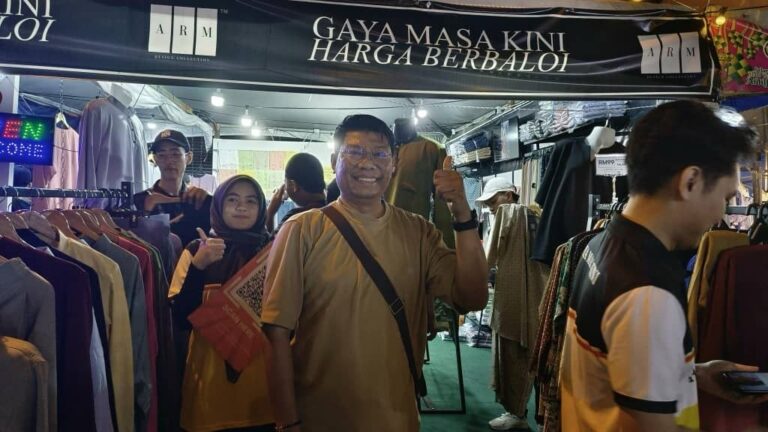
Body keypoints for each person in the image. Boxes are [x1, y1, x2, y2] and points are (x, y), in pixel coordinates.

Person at [261, 114, 489, 432]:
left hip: (397, 417)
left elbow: (473, 297)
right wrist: (287, 422)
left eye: (379, 153)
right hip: (320, 417)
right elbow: (276, 334)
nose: (367, 163)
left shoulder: (419, 232)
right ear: (334, 161)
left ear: (393, 164)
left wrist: (462, 214)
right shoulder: (302, 230)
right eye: (354, 151)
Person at [560, 100, 768, 432]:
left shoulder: (603, 245)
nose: (721, 214)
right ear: (691, 182)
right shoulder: (647, 293)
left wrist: (693, 373)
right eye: (726, 198)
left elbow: (618, 365)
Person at [168, 175, 274, 432]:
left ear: (261, 208)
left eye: (251, 201)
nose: (241, 207)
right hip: (208, 394)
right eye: (232, 200)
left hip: (264, 397)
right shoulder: (197, 250)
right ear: (219, 206)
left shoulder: (274, 253)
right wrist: (199, 267)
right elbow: (181, 319)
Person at [133, 129, 212, 247]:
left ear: (188, 158)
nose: (169, 161)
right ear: (155, 159)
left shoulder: (198, 200)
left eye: (175, 154)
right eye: (162, 155)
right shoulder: (139, 201)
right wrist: (146, 212)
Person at [265, 152, 326, 233]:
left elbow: (271, 241)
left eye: (285, 182)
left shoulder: (294, 219)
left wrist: (270, 213)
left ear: (293, 185)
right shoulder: (333, 209)